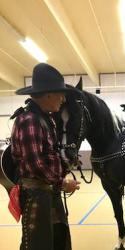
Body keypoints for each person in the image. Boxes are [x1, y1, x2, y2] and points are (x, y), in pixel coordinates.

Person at [11, 63, 80, 250]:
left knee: (57, 241)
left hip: (47, 194)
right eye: (60, 94)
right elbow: (35, 164)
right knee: (38, 244)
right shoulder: (29, 121)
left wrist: (66, 163)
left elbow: (47, 157)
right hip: (37, 196)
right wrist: (63, 183)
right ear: (49, 94)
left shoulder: (44, 118)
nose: (63, 98)